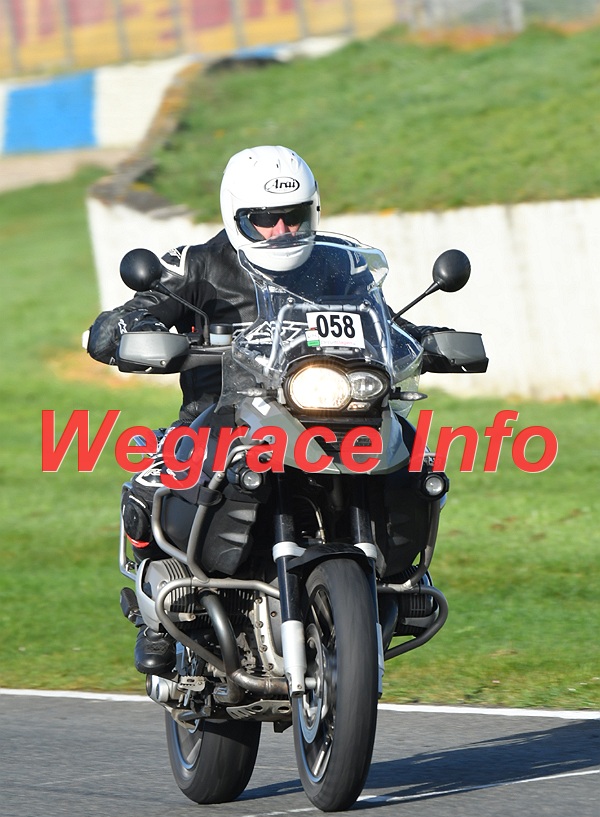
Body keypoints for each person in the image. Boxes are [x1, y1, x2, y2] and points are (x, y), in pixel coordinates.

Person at [86, 144, 440, 676]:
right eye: (264, 219)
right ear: (236, 215)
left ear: (312, 211)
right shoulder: (198, 264)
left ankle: (398, 577)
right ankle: (159, 615)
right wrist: (132, 333)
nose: (281, 230)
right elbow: (124, 318)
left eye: (293, 217)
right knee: (159, 475)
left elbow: (384, 325)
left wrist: (430, 341)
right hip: (225, 415)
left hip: (334, 412)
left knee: (414, 459)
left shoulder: (342, 265)